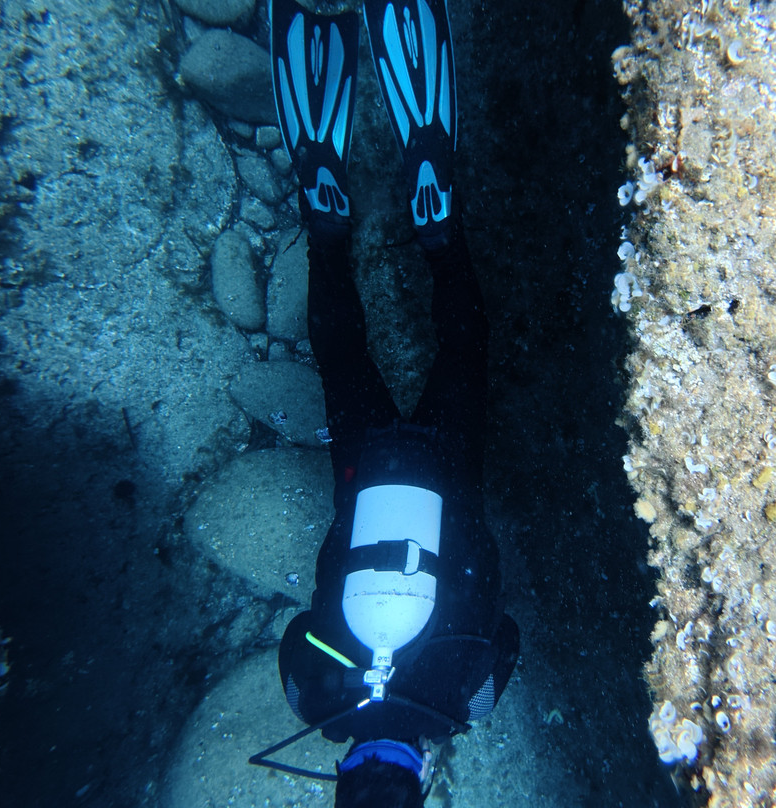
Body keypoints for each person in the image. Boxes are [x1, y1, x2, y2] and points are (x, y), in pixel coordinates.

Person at [250, 1, 519, 805]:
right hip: (365, 464)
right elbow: (297, 634)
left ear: (420, 779)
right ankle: (324, 222)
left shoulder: (463, 700)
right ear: (342, 774)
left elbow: (506, 635)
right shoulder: (313, 697)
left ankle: (439, 229)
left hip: (447, 465)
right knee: (342, 355)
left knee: (465, 349)